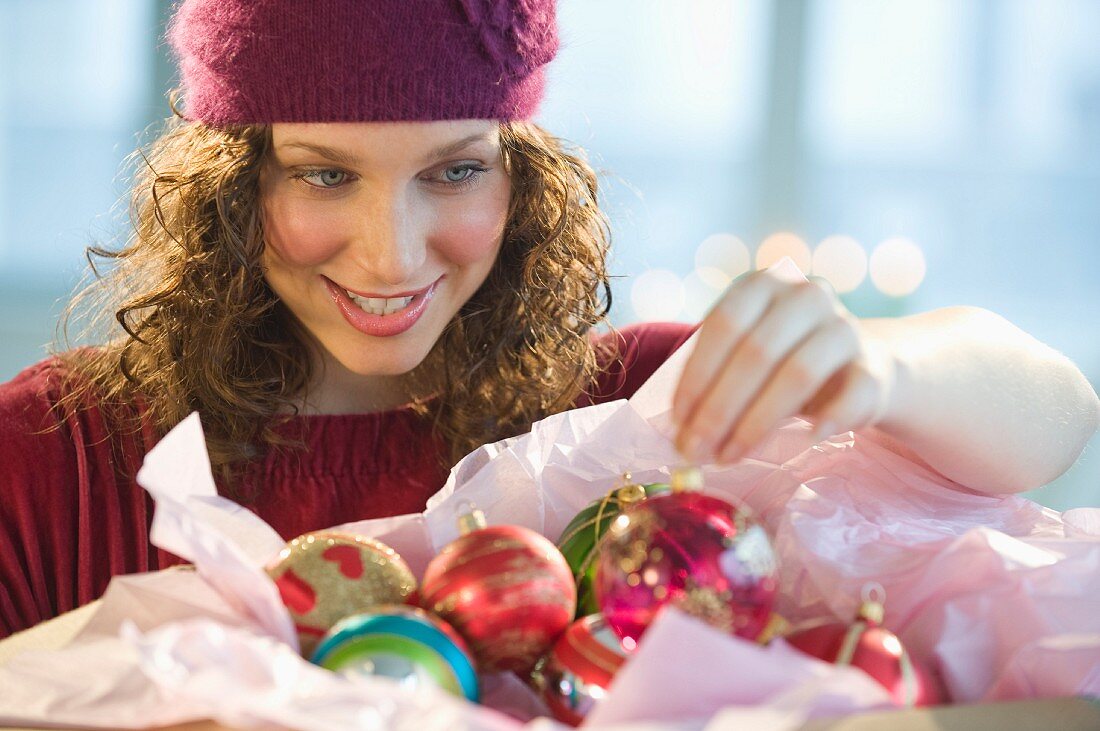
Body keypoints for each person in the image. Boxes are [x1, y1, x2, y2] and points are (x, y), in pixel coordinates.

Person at [0, 0, 1095, 640]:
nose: (391, 252)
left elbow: (1051, 417)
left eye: (454, 170)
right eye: (323, 176)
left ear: (522, 182)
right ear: (232, 190)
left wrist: (881, 363)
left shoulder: (642, 412)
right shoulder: (55, 456)